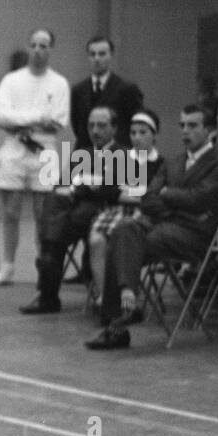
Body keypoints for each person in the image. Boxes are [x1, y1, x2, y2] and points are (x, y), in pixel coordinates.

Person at [85, 104, 218, 350]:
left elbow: (201, 199)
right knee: (122, 230)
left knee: (127, 242)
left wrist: (167, 194)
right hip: (164, 225)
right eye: (182, 125)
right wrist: (175, 201)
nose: (185, 131)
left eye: (192, 125)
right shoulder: (175, 161)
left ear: (209, 130)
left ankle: (118, 324)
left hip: (194, 235)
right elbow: (148, 198)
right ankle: (128, 305)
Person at [0, 29, 71, 287]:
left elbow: (57, 122)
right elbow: (0, 117)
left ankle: (43, 268)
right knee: (10, 213)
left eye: (43, 45)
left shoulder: (60, 83)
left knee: (44, 214)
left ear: (51, 49)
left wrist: (18, 119)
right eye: (33, 45)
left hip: (45, 153)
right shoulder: (11, 80)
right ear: (28, 47)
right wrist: (36, 118)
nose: (38, 50)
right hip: (12, 151)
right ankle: (7, 269)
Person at [20, 105, 125, 315]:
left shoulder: (121, 155)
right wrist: (83, 186)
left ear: (114, 128)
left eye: (102, 126)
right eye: (91, 125)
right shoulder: (81, 154)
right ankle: (48, 294)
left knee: (53, 233)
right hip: (74, 212)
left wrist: (78, 187)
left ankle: (47, 296)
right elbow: (63, 185)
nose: (95, 131)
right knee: (54, 212)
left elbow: (109, 190)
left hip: (104, 212)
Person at [88, 110, 166, 311]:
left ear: (154, 135)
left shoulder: (161, 163)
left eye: (143, 132)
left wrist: (127, 191)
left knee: (124, 239)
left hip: (144, 214)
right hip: (115, 210)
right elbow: (108, 190)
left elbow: (155, 196)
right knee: (96, 240)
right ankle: (105, 296)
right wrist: (136, 194)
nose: (137, 138)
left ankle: (124, 295)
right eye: (133, 133)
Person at [70, 36, 144, 151]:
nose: (97, 58)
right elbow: (77, 125)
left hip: (118, 154)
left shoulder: (127, 89)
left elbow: (136, 123)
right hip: (85, 154)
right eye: (92, 54)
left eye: (102, 54)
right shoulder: (78, 90)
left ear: (111, 56)